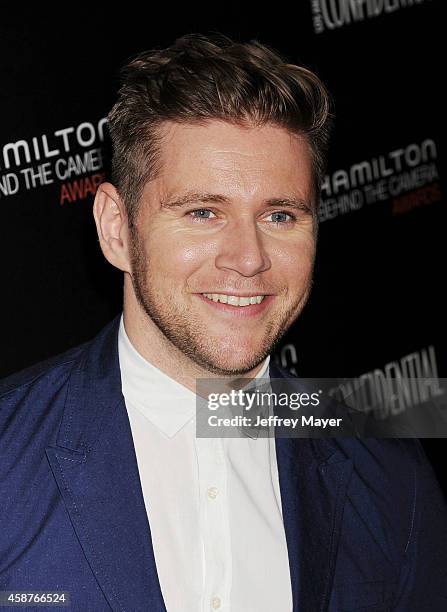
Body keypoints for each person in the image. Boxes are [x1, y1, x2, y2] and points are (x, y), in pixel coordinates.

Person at [0, 33, 446, 612]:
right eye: (203, 212)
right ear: (116, 228)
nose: (248, 256)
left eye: (280, 214)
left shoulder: (385, 460)